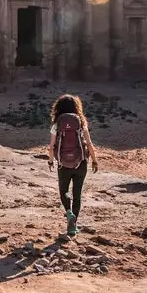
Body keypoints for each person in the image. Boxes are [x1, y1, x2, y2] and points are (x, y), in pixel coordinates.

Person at [47, 93, 99, 237]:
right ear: (76, 107)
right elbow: (89, 143)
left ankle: (69, 213)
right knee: (77, 194)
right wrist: (94, 160)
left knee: (64, 191)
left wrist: (51, 161)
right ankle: (73, 225)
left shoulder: (57, 124)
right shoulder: (81, 122)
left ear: (59, 108)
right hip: (81, 162)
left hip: (63, 164)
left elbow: (51, 146)